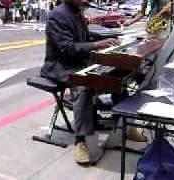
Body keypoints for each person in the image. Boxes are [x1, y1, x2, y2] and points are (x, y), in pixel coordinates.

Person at [40, 0, 121, 165]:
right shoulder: (57, 15)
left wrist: (110, 37)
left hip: (77, 62)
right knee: (84, 85)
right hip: (61, 66)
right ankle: (80, 140)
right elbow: (67, 48)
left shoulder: (77, 11)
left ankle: (122, 123)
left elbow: (85, 36)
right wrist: (96, 45)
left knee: (117, 73)